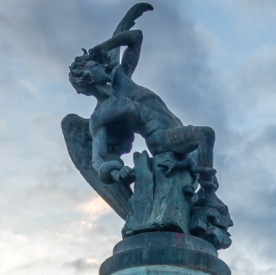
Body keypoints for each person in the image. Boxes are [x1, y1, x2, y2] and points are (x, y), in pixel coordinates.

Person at [68, 26, 218, 194]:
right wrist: (117, 174)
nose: (102, 66)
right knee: (205, 134)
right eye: (95, 65)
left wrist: (105, 46)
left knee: (202, 155)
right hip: (160, 138)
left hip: (177, 130)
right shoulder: (101, 115)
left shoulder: (121, 77)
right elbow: (97, 158)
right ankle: (208, 194)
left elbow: (135, 37)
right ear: (87, 77)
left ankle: (199, 184)